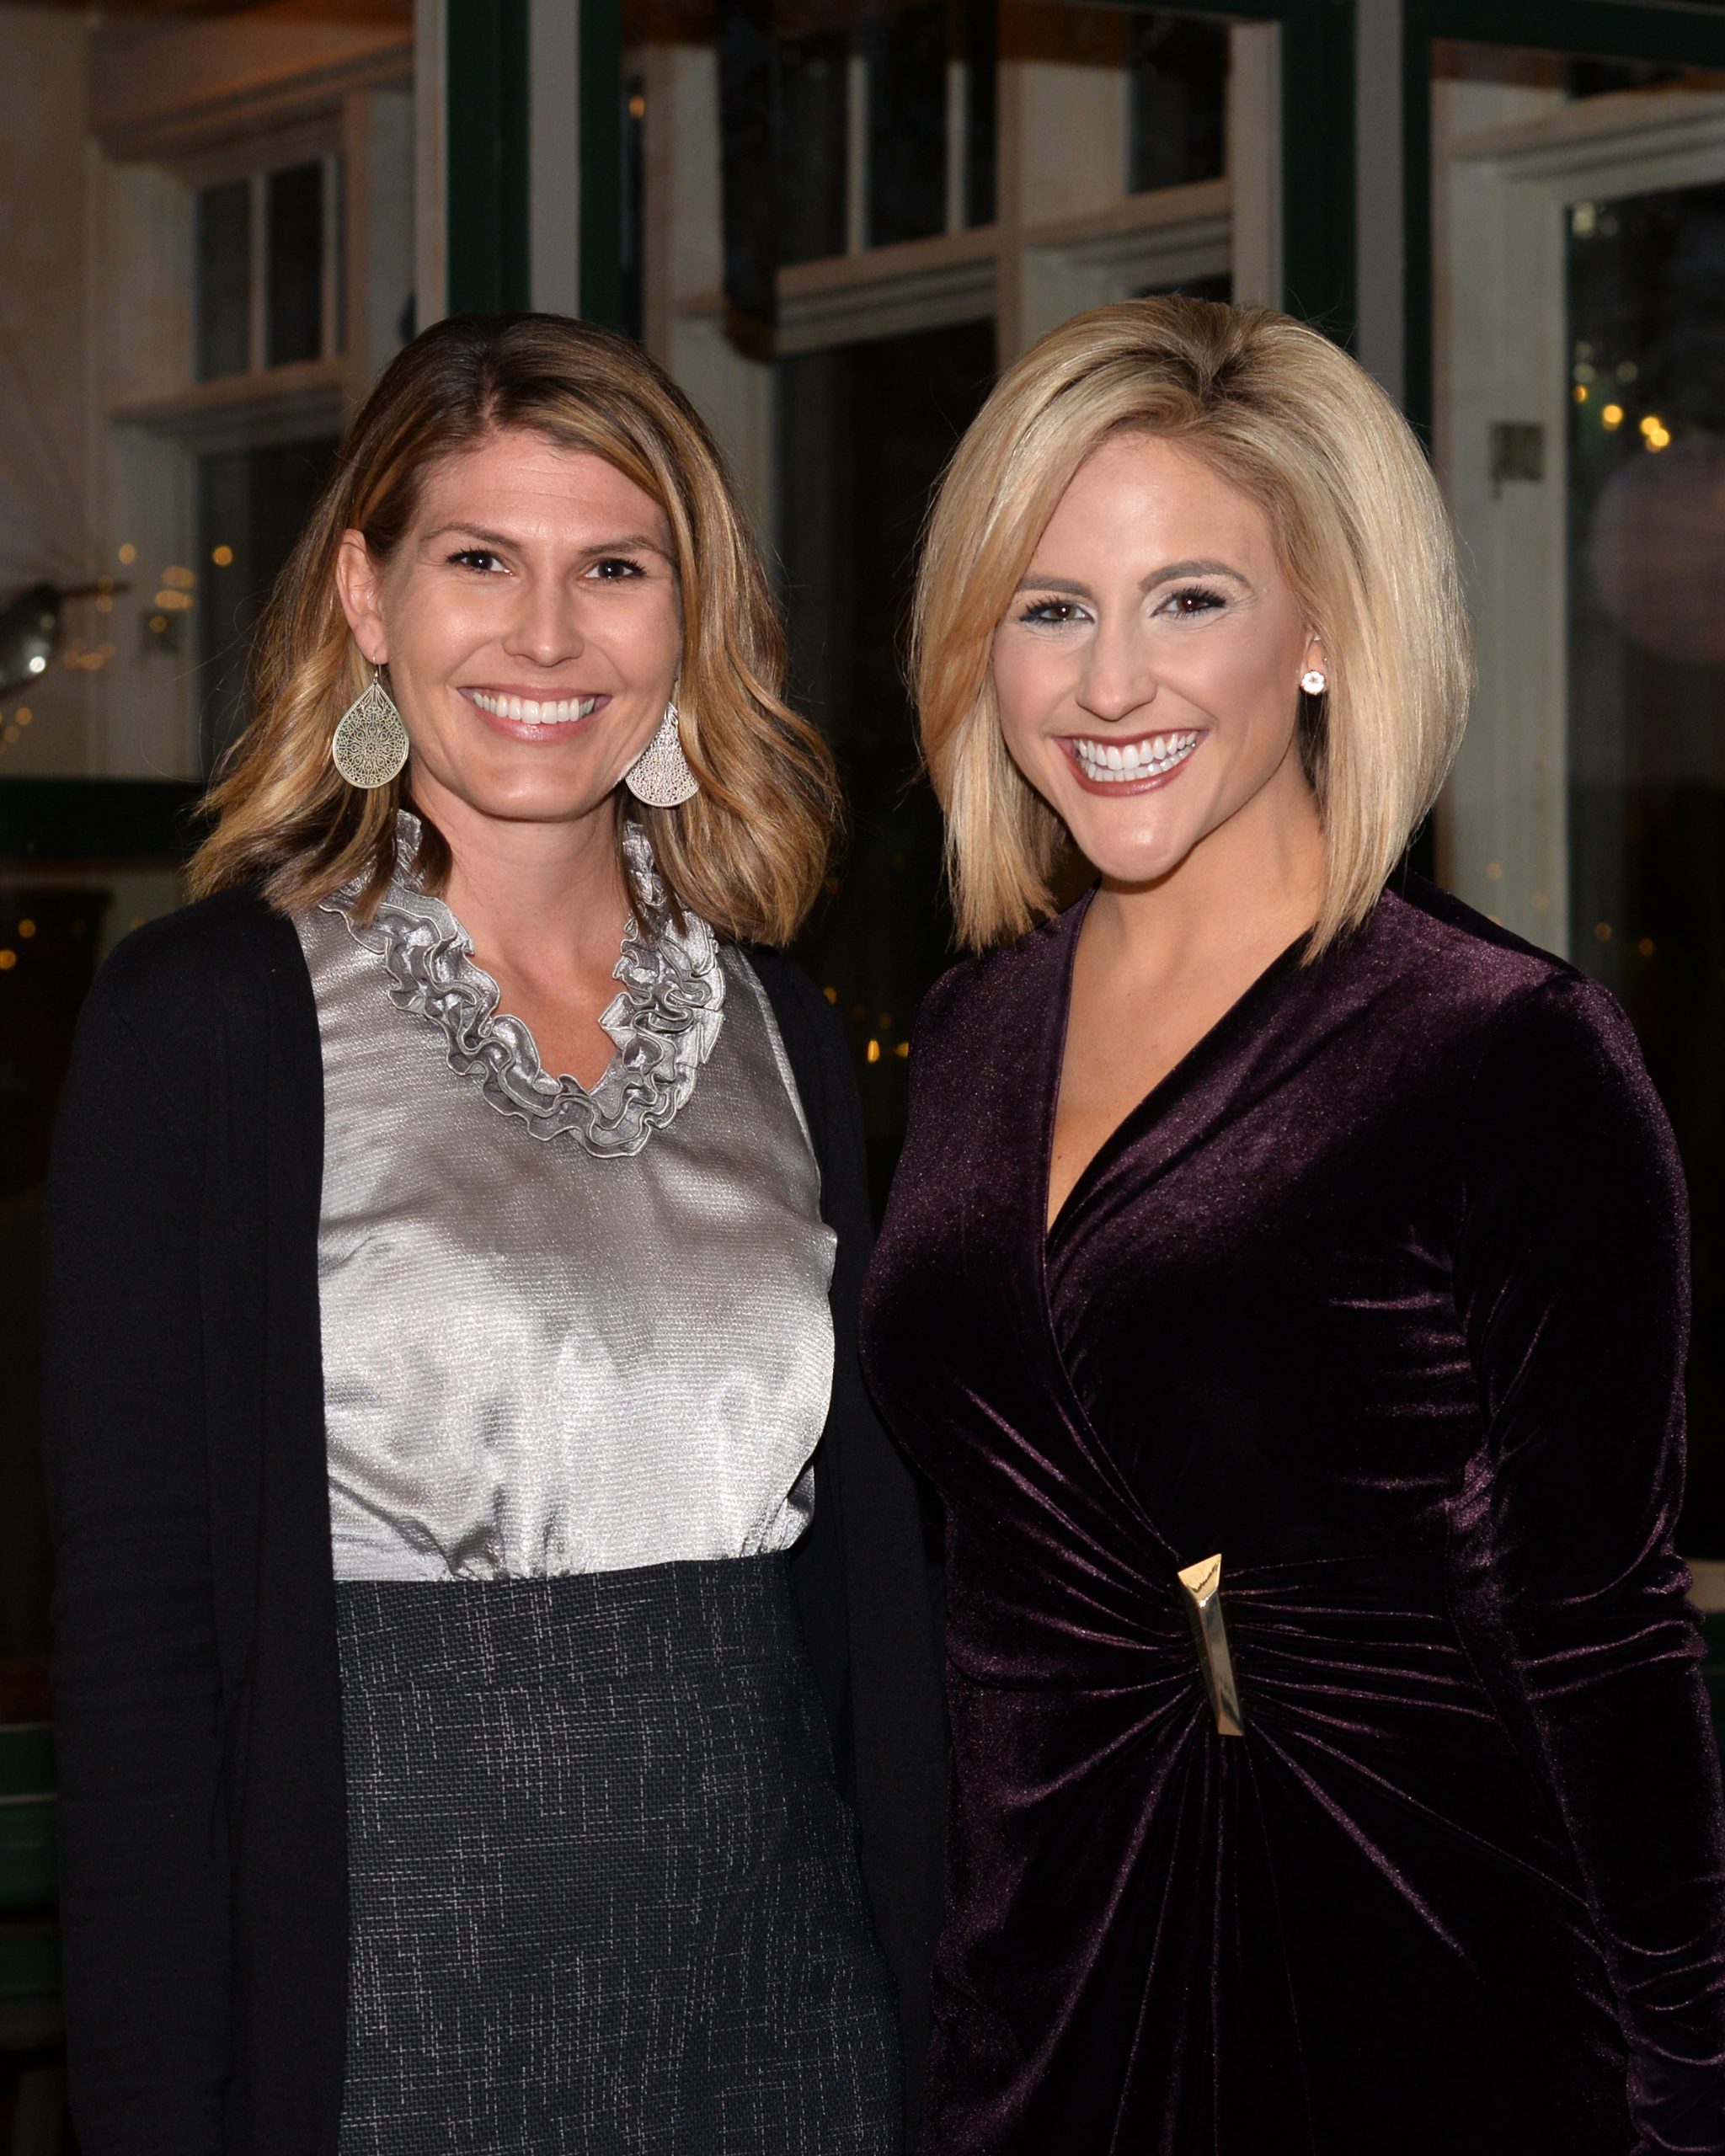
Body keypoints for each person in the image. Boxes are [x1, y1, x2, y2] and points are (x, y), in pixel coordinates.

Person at [45, 312, 944, 2156]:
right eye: (480, 560)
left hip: (786, 2000)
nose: (547, 637)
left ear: (689, 618)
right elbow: (137, 1655)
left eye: (614, 569)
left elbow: (867, 1611)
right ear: (365, 596)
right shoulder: (208, 1019)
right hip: (385, 1997)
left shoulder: (782, 1031)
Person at [858, 296, 1725, 2153]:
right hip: (1036, 1988)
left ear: (1321, 629)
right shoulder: (970, 1031)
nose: (1110, 685)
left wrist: (1688, 2087)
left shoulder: (1500, 1048)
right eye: (1049, 609)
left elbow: (1601, 1627)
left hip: (1420, 1985)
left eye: (1188, 600)